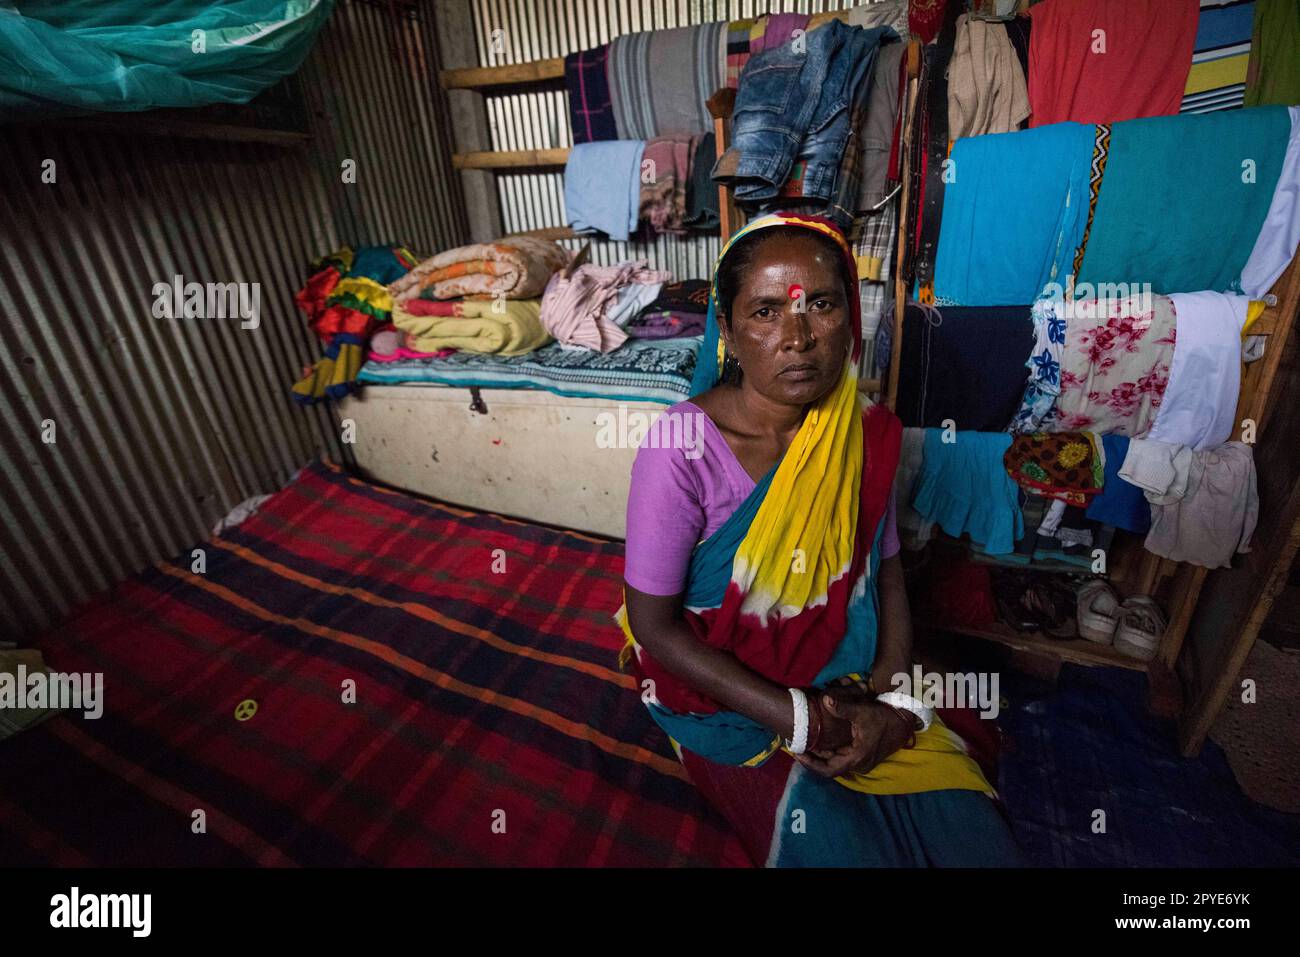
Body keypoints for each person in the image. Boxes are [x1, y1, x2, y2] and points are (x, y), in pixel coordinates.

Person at [617, 212, 1023, 867]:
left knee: (976, 838)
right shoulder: (680, 448)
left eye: (822, 305)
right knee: (832, 844)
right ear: (728, 331)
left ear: (851, 321)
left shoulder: (863, 431)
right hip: (730, 697)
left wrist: (890, 705)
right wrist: (800, 717)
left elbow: (884, 572)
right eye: (766, 312)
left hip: (853, 678)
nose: (798, 338)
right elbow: (653, 626)